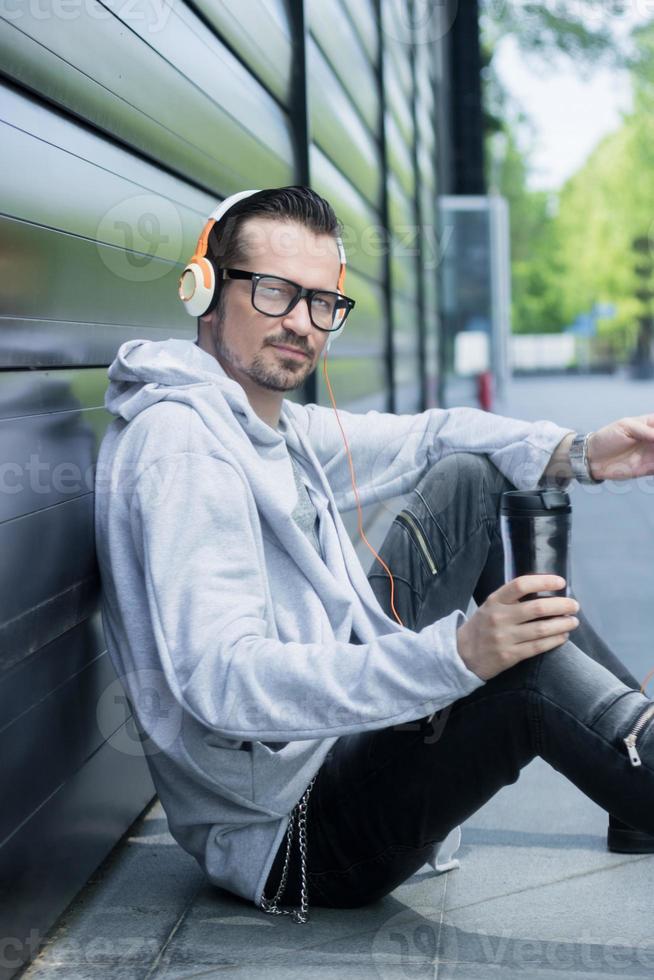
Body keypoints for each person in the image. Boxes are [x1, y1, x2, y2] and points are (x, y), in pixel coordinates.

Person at [94, 186, 654, 926]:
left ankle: (635, 773)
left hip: (341, 737)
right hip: (294, 833)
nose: (301, 322)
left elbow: (435, 435)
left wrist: (578, 453)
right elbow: (221, 681)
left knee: (470, 478)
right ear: (204, 287)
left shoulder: (275, 426)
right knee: (527, 665)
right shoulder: (184, 449)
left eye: (323, 302)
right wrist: (453, 658)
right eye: (274, 292)